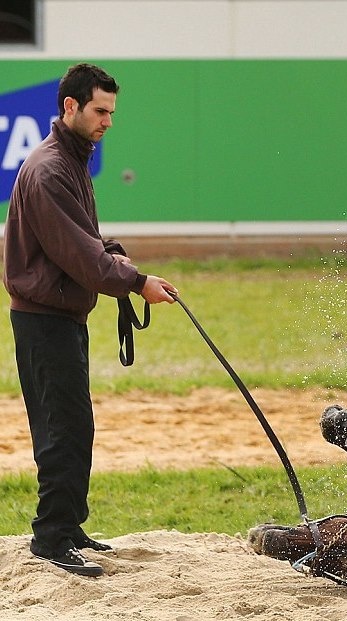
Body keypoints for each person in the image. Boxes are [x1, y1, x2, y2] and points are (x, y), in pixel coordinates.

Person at [2, 63, 178, 577]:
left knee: (75, 425)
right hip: (44, 319)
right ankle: (51, 538)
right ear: (70, 107)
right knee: (63, 429)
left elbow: (81, 243)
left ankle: (68, 526)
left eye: (112, 113)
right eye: (101, 111)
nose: (108, 122)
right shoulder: (50, 169)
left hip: (61, 315)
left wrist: (117, 260)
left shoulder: (71, 159)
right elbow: (79, 255)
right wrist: (135, 280)